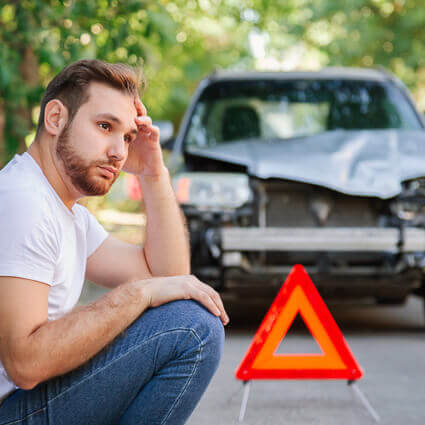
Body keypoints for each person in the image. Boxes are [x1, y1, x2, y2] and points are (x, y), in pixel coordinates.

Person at [0, 59, 228, 425]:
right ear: (55, 118)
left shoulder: (65, 211)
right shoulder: (24, 201)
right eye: (104, 126)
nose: (119, 152)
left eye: (126, 137)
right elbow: (24, 363)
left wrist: (154, 172)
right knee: (193, 329)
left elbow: (166, 274)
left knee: (190, 317)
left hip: (24, 402)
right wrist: (137, 295)